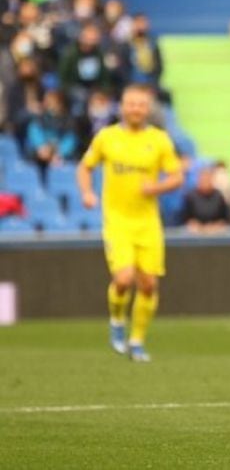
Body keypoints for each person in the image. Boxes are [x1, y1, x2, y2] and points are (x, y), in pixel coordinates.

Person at [75, 84, 184, 362]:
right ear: (122, 107)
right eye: (130, 103)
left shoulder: (159, 140)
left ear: (148, 109)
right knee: (123, 278)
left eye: (141, 104)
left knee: (148, 285)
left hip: (148, 222)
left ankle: (136, 341)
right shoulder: (107, 137)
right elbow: (85, 166)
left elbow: (176, 176)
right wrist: (87, 193)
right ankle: (116, 320)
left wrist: (156, 188)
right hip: (118, 221)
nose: (136, 109)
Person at [180, 166, 230, 233]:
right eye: (203, 180)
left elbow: (225, 219)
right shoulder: (190, 196)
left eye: (207, 179)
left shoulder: (219, 196)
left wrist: (214, 227)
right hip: (195, 233)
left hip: (217, 232)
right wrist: (198, 227)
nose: (205, 182)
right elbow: (186, 219)